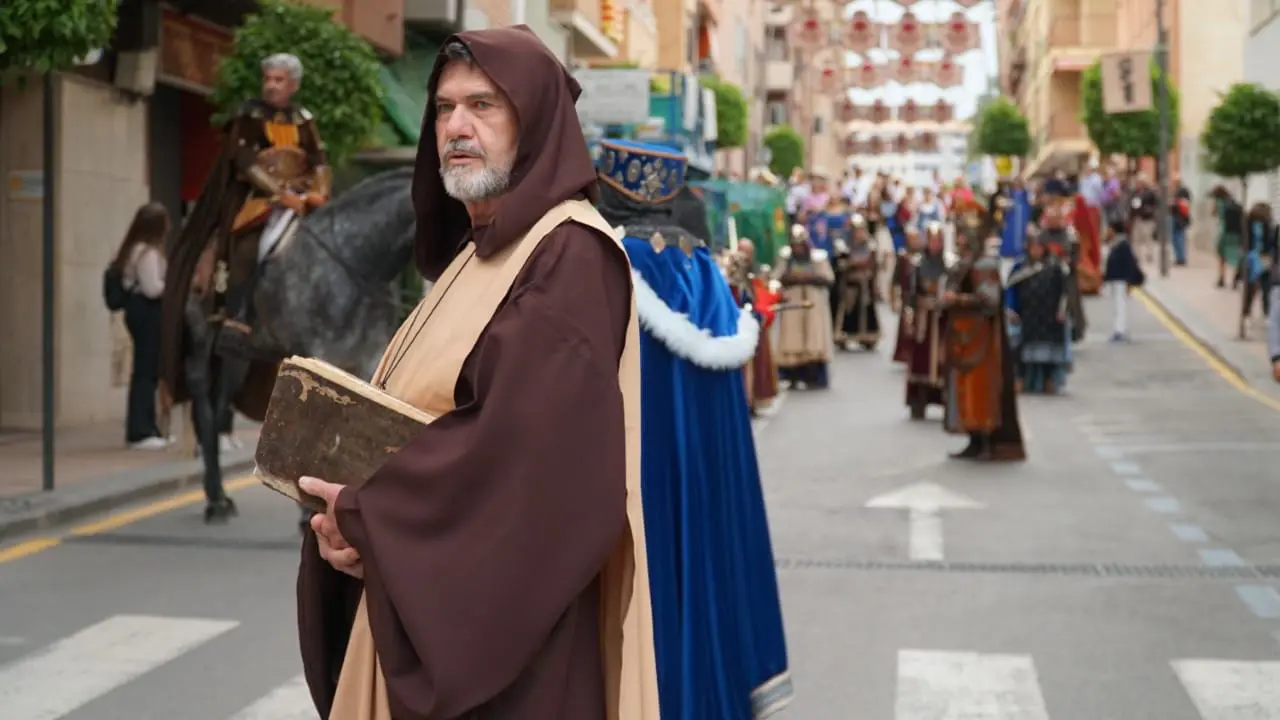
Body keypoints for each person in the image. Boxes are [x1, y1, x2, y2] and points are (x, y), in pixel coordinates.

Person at [294, 28, 659, 719]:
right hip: (415, 593)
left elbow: (520, 464)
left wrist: (368, 516)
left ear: (536, 121)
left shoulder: (568, 255)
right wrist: (350, 525)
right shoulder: (479, 253)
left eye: (484, 105)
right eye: (443, 107)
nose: (456, 127)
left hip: (511, 657)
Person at [596, 139, 793, 720]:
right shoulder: (702, 267)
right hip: (704, 478)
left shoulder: (608, 263)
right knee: (703, 569)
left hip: (634, 473)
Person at [160, 52, 332, 522]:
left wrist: (316, 191)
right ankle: (234, 312)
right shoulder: (248, 115)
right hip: (257, 205)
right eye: (268, 78)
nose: (271, 85)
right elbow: (241, 160)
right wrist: (280, 194)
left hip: (299, 204)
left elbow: (318, 160)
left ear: (293, 85)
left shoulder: (303, 118)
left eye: (279, 79)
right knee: (252, 249)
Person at [942, 201, 1026, 461]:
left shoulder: (985, 265)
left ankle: (988, 441)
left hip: (982, 338)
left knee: (982, 390)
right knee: (965, 389)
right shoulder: (964, 263)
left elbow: (990, 300)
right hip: (963, 335)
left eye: (963, 234)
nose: (959, 239)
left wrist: (958, 300)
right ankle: (974, 440)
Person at [111, 202, 172, 449]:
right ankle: (140, 432)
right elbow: (152, 288)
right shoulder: (147, 253)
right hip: (146, 312)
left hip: (138, 312)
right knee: (146, 372)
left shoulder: (133, 250)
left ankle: (148, 428)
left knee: (147, 370)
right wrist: (172, 287)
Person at [1005, 232, 1071, 394]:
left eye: (1039, 247)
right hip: (1027, 316)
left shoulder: (1054, 267)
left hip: (1049, 316)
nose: (1036, 251)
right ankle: (1020, 380)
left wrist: (1062, 310)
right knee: (1020, 351)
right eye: (1033, 247)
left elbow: (1064, 291)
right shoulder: (1020, 267)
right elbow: (1011, 290)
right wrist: (1010, 310)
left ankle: (1049, 381)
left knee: (1049, 352)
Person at [774, 224, 836, 389]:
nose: (798, 249)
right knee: (793, 338)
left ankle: (814, 376)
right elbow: (777, 277)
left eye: (800, 245)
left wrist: (808, 278)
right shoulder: (786, 259)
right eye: (795, 245)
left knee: (813, 338)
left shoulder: (818, 258)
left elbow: (828, 279)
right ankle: (793, 375)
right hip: (793, 302)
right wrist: (792, 278)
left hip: (813, 303)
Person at [904, 223, 949, 420]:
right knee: (921, 360)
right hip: (924, 318)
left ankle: (945, 400)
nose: (935, 244)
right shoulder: (918, 264)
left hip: (942, 319)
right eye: (932, 240)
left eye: (938, 241)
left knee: (942, 361)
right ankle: (918, 401)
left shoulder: (949, 264)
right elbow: (912, 294)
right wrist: (910, 316)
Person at [834, 215, 881, 351]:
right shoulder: (844, 245)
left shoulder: (870, 244)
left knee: (867, 310)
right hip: (850, 283)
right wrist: (852, 263)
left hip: (865, 282)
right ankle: (845, 336)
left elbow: (874, 264)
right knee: (849, 310)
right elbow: (840, 265)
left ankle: (867, 337)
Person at [1103, 216, 1144, 343]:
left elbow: (1130, 264)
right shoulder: (1115, 244)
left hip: (1121, 281)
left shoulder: (1123, 245)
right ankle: (1121, 329)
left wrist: (1129, 282)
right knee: (1117, 306)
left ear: (1114, 230)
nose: (1107, 231)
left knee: (1120, 306)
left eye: (1109, 229)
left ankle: (1119, 331)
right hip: (1115, 280)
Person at [890, 225, 923, 363]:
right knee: (905, 325)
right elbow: (896, 279)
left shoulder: (922, 258)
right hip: (906, 296)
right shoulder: (903, 257)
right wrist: (893, 298)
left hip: (917, 296)